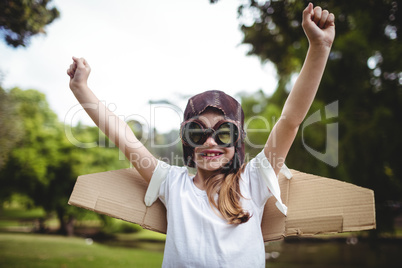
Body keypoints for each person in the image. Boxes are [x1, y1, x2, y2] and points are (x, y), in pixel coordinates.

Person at [67, 3, 335, 267]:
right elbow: (123, 136)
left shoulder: (253, 182)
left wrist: (319, 48)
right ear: (186, 141)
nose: (210, 142)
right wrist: (81, 88)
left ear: (238, 140)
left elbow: (290, 121)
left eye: (224, 132)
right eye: (197, 132)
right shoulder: (172, 184)